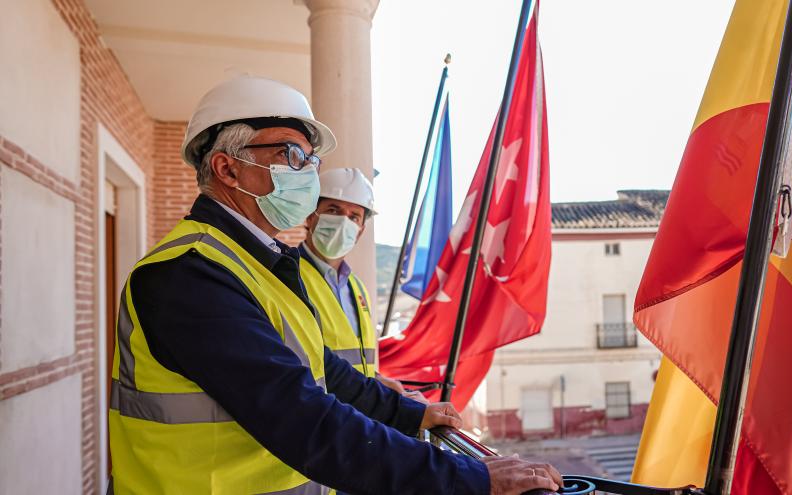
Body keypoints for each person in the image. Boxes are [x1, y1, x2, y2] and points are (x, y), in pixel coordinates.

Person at [108, 75, 562, 494]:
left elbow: (324, 369)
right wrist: (468, 477)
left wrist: (407, 412)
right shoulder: (188, 274)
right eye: (292, 155)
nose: (307, 172)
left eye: (312, 159)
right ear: (228, 169)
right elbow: (300, 416)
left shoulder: (256, 264)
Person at [300, 168, 423, 401]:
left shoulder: (356, 288)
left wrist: (379, 381)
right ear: (309, 216)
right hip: (317, 419)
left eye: (354, 217)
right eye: (333, 210)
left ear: (360, 230)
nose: (343, 223)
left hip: (359, 416)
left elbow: (357, 363)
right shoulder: (286, 276)